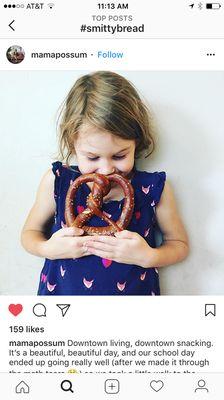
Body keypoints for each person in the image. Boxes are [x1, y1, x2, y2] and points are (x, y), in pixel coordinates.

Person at [21, 71, 189, 295]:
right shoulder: (57, 183)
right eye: (92, 158)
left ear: (136, 143)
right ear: (73, 145)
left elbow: (179, 244)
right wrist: (47, 248)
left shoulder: (153, 189)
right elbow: (29, 233)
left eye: (119, 156)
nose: (107, 169)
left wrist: (150, 256)